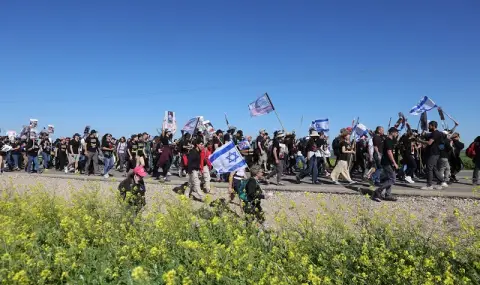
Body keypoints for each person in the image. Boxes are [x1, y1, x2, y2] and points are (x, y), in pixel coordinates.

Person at [372, 127, 400, 202]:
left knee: (389, 178)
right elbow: (389, 152)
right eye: (396, 132)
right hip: (387, 162)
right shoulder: (388, 140)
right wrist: (394, 163)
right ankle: (378, 191)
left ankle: (388, 195)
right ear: (392, 132)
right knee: (392, 179)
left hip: (388, 162)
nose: (397, 134)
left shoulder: (390, 140)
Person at [420, 121, 444, 190]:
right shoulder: (435, 133)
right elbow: (426, 135)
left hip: (433, 153)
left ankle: (429, 185)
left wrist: (419, 141)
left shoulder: (436, 133)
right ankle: (441, 181)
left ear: (433, 126)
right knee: (434, 168)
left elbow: (429, 143)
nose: (428, 127)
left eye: (429, 126)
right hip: (434, 153)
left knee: (429, 168)